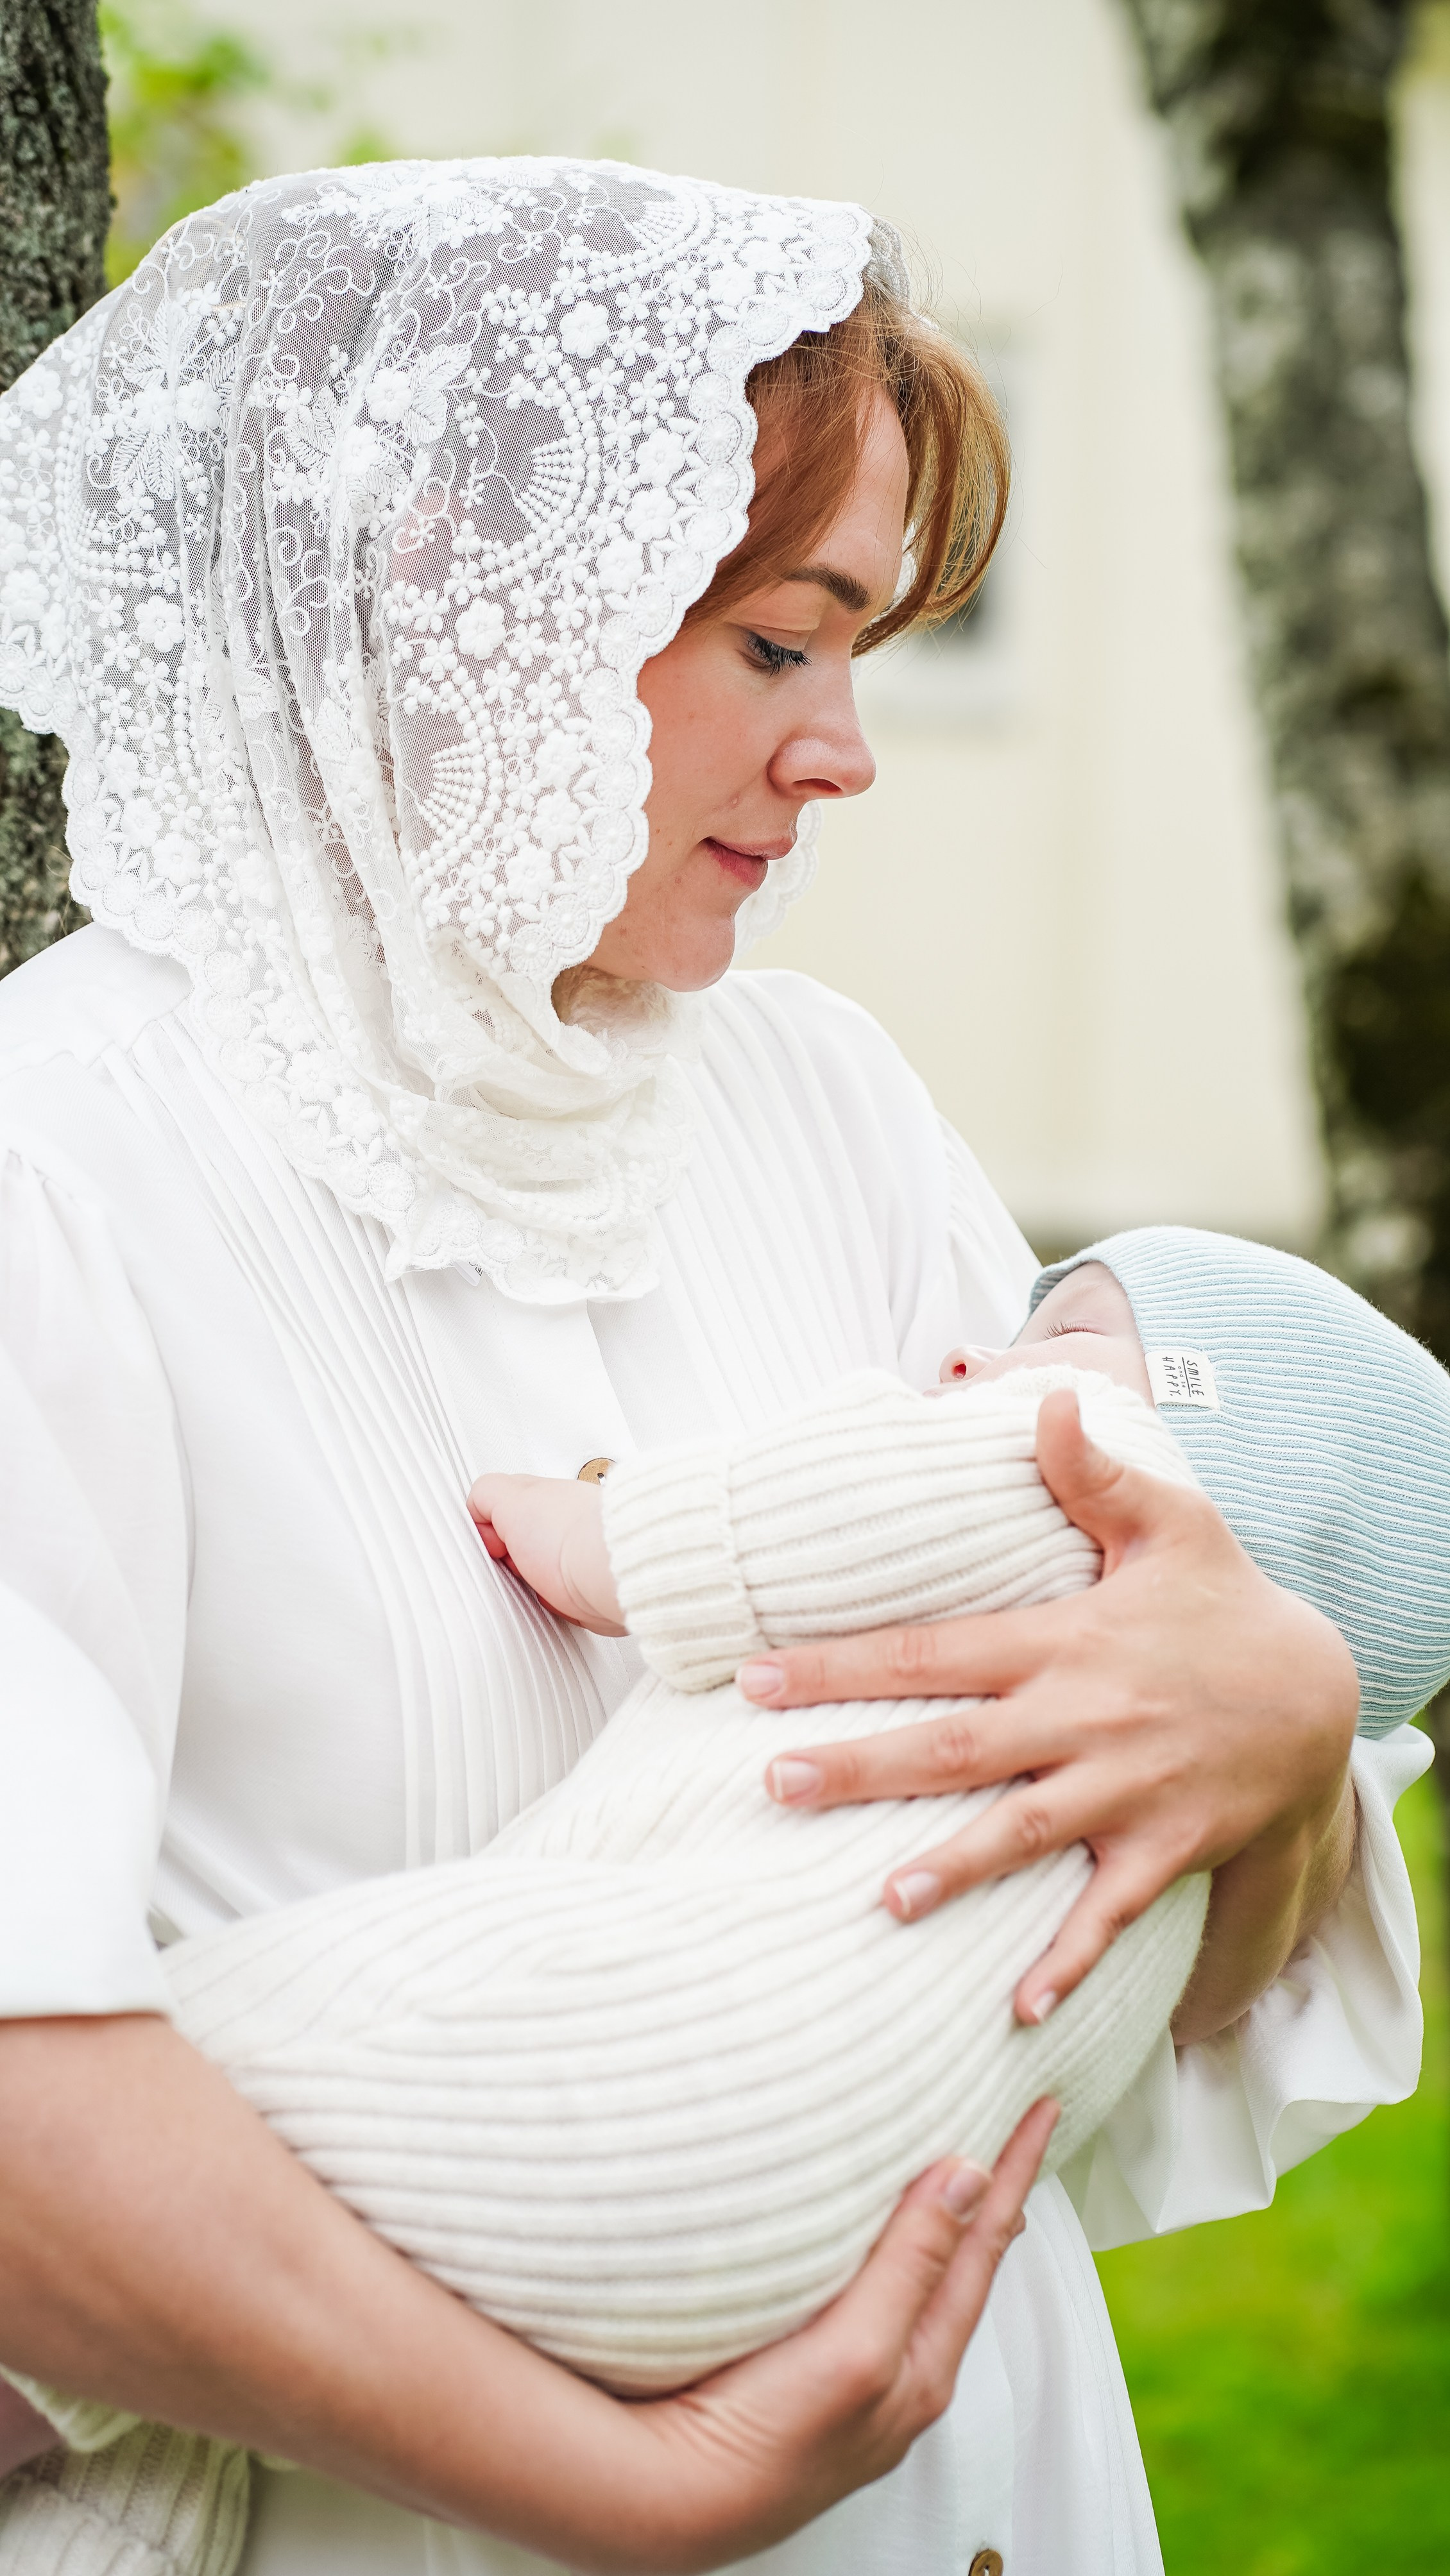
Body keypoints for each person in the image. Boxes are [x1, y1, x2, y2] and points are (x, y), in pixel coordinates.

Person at [0, 158, 1428, 2576]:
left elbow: (1077, 1941)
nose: (850, 748)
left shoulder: (818, 1100)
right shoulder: (64, 1159)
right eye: (783, 641)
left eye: (868, 651)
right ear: (467, 597)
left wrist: (1278, 1748)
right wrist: (634, 2485)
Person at [8, 1223, 1448, 2576]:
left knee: (230, 2067)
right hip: (783, 2264)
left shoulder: (1088, 1472)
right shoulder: (62, 1170)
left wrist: (616, 1539)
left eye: (1056, 1329)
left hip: (593, 2098)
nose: (962, 1366)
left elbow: (840, 1507)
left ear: (1201, 1430)